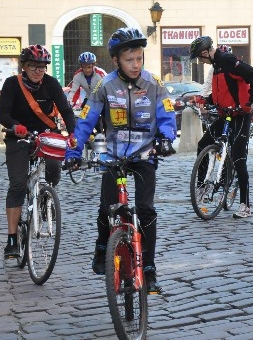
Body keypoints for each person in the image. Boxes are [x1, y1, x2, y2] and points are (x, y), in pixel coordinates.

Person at [64, 27, 177, 295]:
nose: (136, 64)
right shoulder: (105, 86)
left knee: (146, 210)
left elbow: (167, 115)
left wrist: (166, 138)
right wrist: (73, 153)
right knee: (107, 207)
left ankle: (148, 267)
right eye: (129, 60)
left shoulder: (153, 84)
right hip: (113, 157)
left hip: (144, 155)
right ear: (116, 61)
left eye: (139, 58)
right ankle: (103, 244)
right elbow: (86, 121)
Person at [0, 45, 76, 259]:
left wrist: (73, 133)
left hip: (46, 135)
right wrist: (15, 126)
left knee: (53, 168)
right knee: (18, 183)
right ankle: (12, 239)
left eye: (42, 67)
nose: (38, 70)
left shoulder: (51, 84)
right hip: (19, 137)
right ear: (24, 66)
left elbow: (66, 110)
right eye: (33, 66)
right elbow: (3, 114)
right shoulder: (12, 84)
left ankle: (45, 198)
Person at [189, 36, 253, 219]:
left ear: (205, 53)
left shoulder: (228, 61)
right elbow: (222, 91)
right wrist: (205, 100)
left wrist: (251, 101)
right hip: (225, 114)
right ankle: (202, 185)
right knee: (203, 143)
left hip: (241, 115)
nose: (201, 61)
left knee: (239, 159)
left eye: (200, 58)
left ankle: (245, 204)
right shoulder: (216, 68)